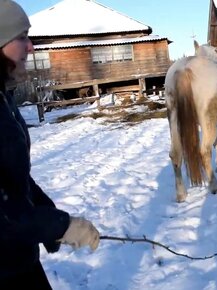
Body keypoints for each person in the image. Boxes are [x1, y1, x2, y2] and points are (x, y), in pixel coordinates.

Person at [0, 0, 101, 288]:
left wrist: (56, 224)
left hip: (17, 257)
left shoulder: (4, 98)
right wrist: (59, 226)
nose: (31, 47)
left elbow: (14, 177)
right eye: (21, 37)